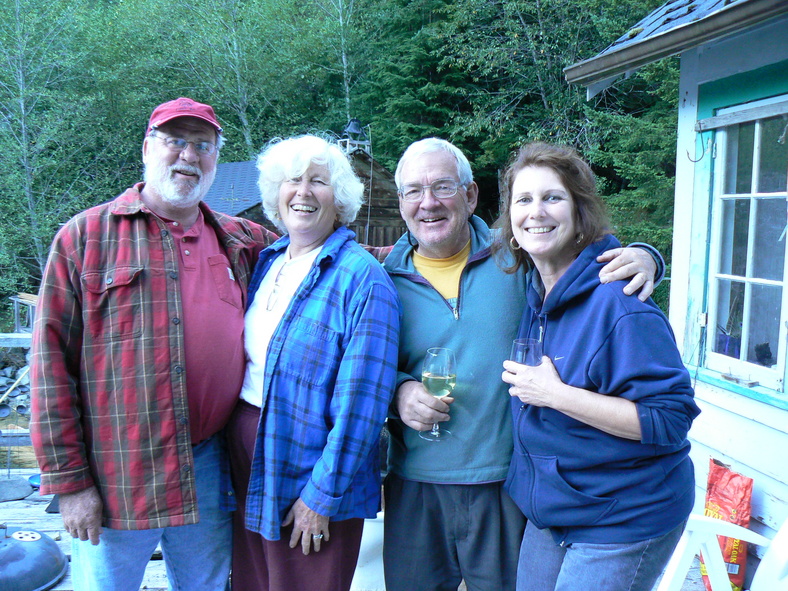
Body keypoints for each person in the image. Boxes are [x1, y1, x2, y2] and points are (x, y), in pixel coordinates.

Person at [381, 137, 665, 591]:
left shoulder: (515, 255)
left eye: (443, 187)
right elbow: (359, 367)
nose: (428, 202)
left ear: (470, 194)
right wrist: (398, 391)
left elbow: (580, 254)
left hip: (508, 483)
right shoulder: (380, 281)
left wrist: (646, 256)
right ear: (400, 202)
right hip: (416, 483)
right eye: (413, 190)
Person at [29, 97, 277, 591]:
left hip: (208, 466)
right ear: (147, 149)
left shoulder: (240, 239)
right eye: (175, 141)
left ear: (216, 159)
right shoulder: (84, 238)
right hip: (116, 471)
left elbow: (318, 250)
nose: (189, 155)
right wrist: (70, 483)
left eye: (203, 145)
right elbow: (49, 369)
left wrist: (419, 245)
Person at [497, 142, 699, 591]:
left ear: (579, 212)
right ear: (510, 220)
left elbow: (670, 419)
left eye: (552, 197)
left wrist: (556, 396)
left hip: (624, 513)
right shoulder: (537, 292)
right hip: (558, 507)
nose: (536, 211)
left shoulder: (619, 302)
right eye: (523, 199)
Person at [227, 135, 400, 591]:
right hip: (248, 455)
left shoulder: (363, 279)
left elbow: (363, 407)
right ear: (275, 192)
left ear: (339, 199)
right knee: (253, 583)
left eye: (318, 182)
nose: (303, 191)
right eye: (292, 180)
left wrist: (321, 497)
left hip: (312, 469)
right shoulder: (267, 262)